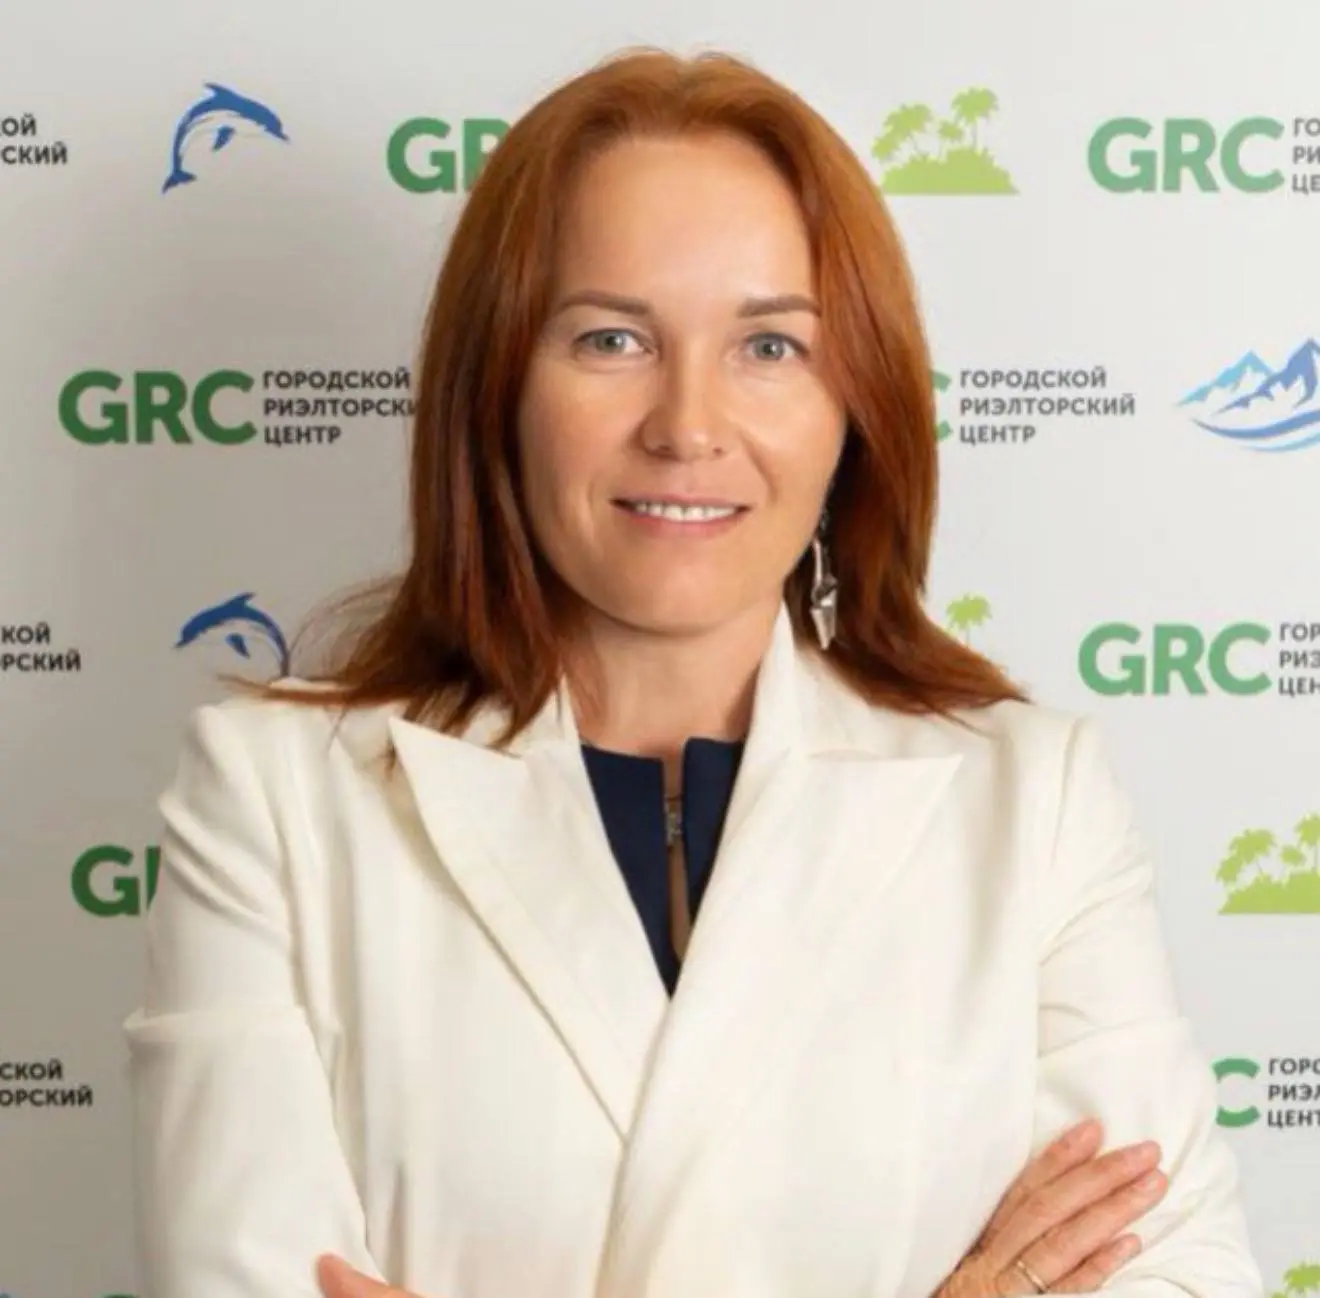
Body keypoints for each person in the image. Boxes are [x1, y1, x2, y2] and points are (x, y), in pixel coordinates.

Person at [123, 47, 1262, 1298]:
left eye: (770, 346)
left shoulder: (1032, 799)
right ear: (496, 386)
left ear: (857, 406)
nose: (688, 425)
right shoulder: (274, 796)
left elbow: (1177, 1272)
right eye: (611, 338)